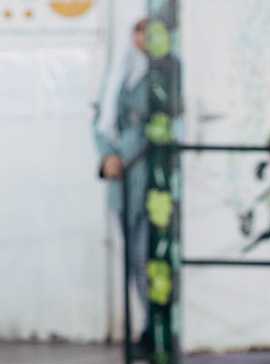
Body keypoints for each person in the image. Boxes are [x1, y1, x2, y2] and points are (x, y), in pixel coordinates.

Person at [93, 14, 151, 335]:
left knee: (148, 257)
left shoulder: (164, 74)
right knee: (133, 258)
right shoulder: (115, 75)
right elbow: (101, 121)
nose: (144, 38)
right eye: (139, 30)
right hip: (125, 181)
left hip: (155, 180)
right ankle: (147, 325)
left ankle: (156, 327)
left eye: (150, 31)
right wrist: (107, 156)